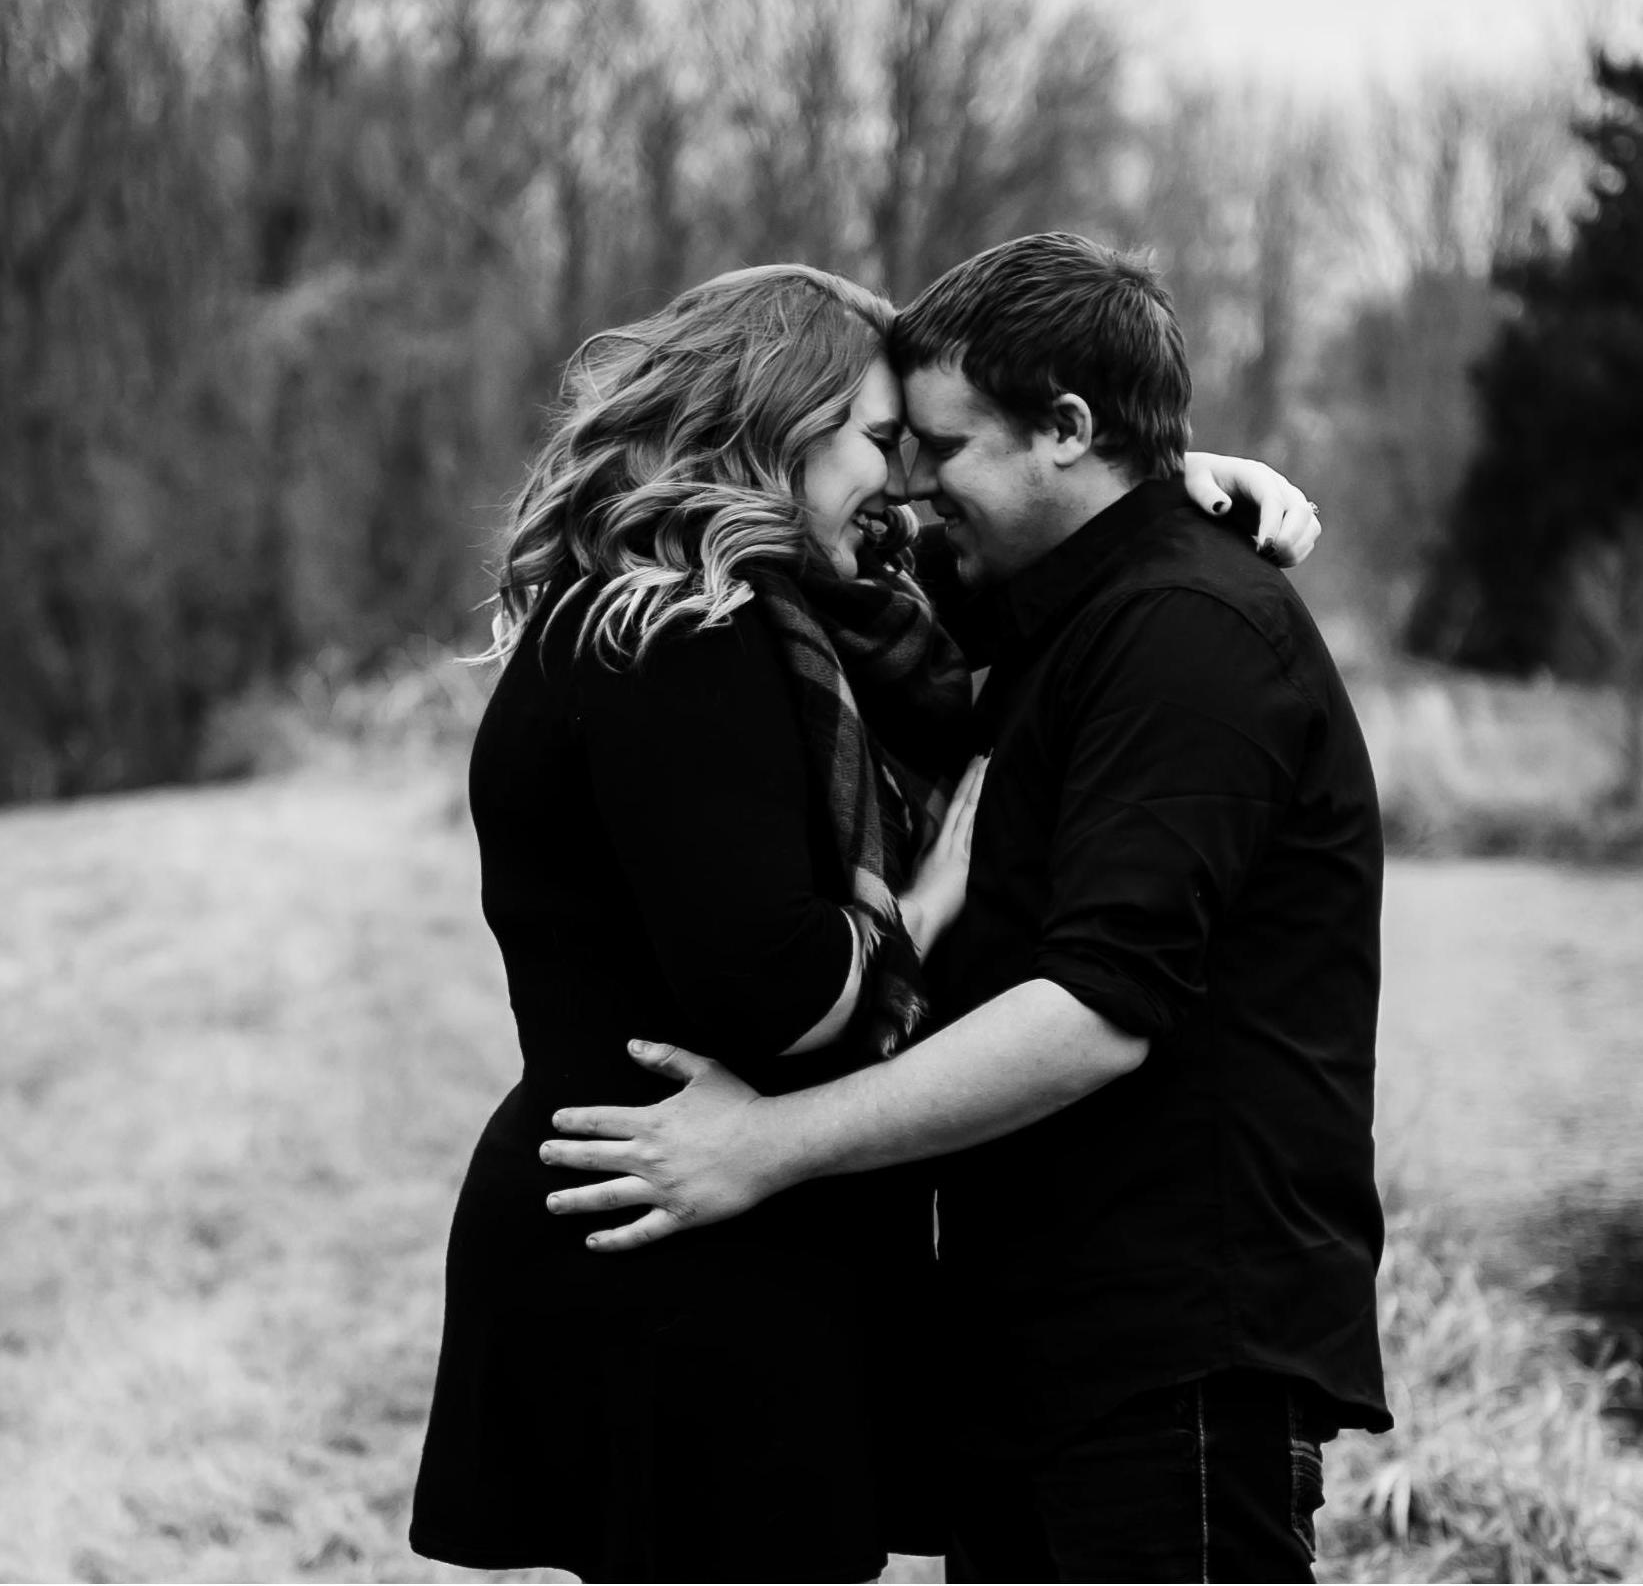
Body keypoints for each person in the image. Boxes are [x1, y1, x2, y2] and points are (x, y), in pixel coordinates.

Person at [410, 260, 1321, 1585]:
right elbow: (775, 990)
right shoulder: (687, 633)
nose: (904, 486)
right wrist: (929, 903)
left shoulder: (793, 617)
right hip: (682, 1251)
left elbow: (1008, 555)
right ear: (780, 431)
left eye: (924, 447)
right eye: (883, 442)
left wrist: (1158, 477)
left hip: (725, 1233)